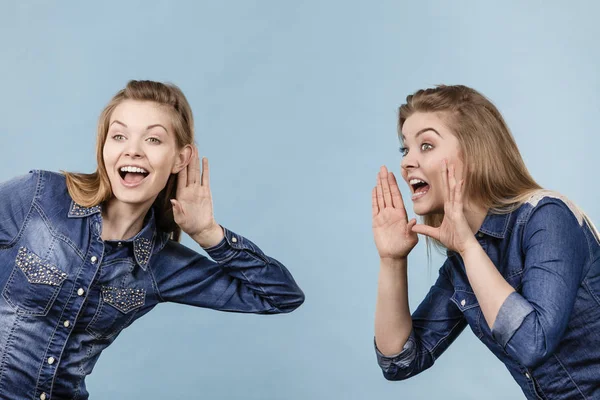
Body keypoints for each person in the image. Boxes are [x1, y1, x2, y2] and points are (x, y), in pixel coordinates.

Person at [0, 80, 304, 400]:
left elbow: (280, 296)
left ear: (179, 159)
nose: (132, 149)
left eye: (153, 139)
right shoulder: (39, 196)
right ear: (104, 147)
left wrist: (207, 233)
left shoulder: (161, 265)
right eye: (119, 136)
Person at [372, 85, 600, 399]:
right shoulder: (463, 263)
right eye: (405, 149)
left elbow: (533, 343)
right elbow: (400, 362)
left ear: (475, 153)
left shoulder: (548, 217)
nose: (407, 162)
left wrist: (467, 248)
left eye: (425, 145)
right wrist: (392, 260)